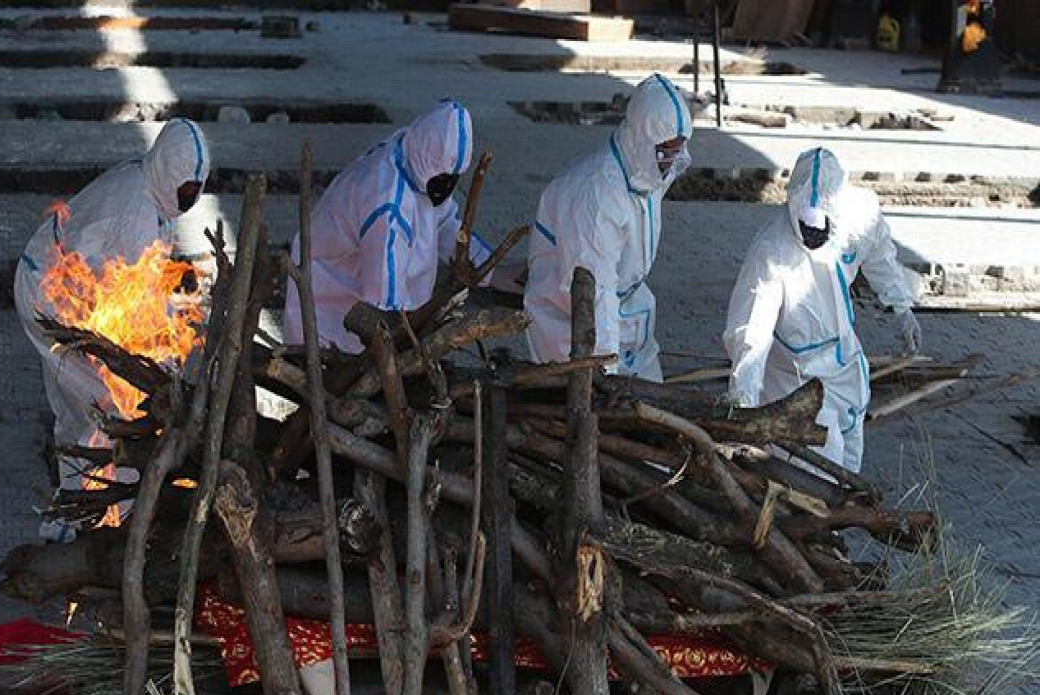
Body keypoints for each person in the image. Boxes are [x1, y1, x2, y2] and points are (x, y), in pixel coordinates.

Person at [14, 118, 210, 541]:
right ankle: (94, 520)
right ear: (168, 173)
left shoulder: (151, 185)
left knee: (82, 411)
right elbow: (121, 297)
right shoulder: (135, 208)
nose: (191, 202)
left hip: (61, 297)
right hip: (49, 301)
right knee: (110, 409)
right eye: (187, 192)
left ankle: (78, 517)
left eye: (197, 192)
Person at [723, 146, 922, 473]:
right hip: (796, 377)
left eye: (821, 223)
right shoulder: (772, 252)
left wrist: (902, 307)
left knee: (850, 463)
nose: (814, 231)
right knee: (816, 473)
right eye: (806, 222)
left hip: (846, 369)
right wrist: (743, 405)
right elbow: (751, 333)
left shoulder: (859, 215)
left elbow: (880, 258)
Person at [283, 100, 491, 353]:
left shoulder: (411, 156)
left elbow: (446, 224)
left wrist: (493, 270)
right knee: (357, 361)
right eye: (443, 178)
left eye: (452, 179)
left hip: (358, 300)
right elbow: (382, 311)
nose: (446, 187)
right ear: (428, 160)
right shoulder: (387, 205)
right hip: (332, 312)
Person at [523, 73, 693, 381]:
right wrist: (606, 374)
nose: (671, 162)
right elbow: (594, 298)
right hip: (572, 325)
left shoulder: (648, 168)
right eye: (665, 151)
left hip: (629, 316)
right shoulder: (597, 197)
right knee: (584, 410)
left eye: (677, 151)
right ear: (641, 138)